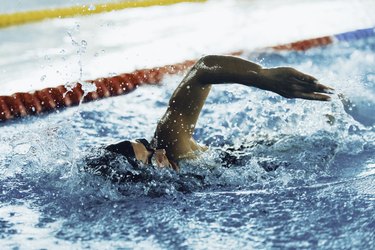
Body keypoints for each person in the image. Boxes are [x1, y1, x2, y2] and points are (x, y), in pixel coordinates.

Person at [93, 55, 334, 174]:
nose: (158, 153)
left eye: (146, 146)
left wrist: (263, 76)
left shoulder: (169, 145)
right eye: (147, 160)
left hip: (253, 155)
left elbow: (202, 70)